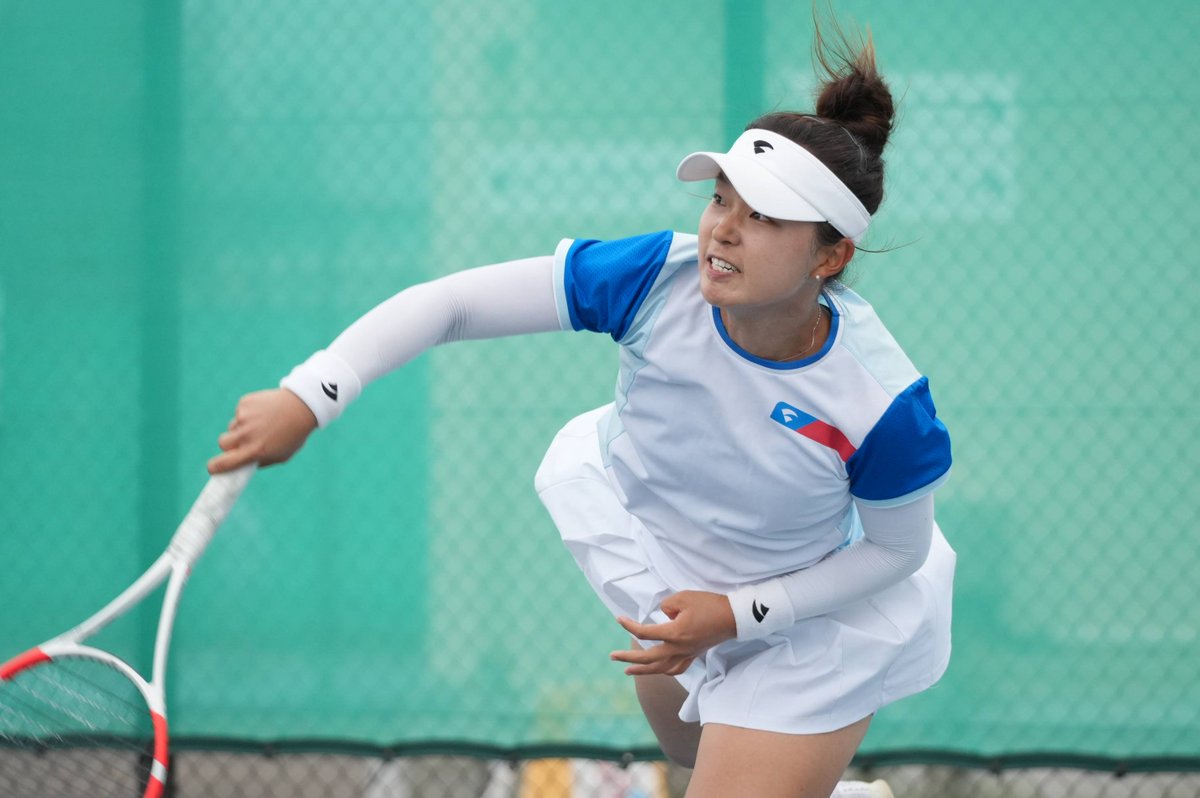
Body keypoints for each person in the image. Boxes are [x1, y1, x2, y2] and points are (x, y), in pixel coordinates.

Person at [209, 24, 953, 798]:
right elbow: (453, 303)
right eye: (719, 199)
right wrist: (312, 392)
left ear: (829, 257)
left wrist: (739, 614)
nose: (723, 228)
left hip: (814, 618)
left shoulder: (883, 404)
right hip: (668, 558)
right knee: (691, 748)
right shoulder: (649, 280)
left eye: (763, 216)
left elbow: (896, 554)